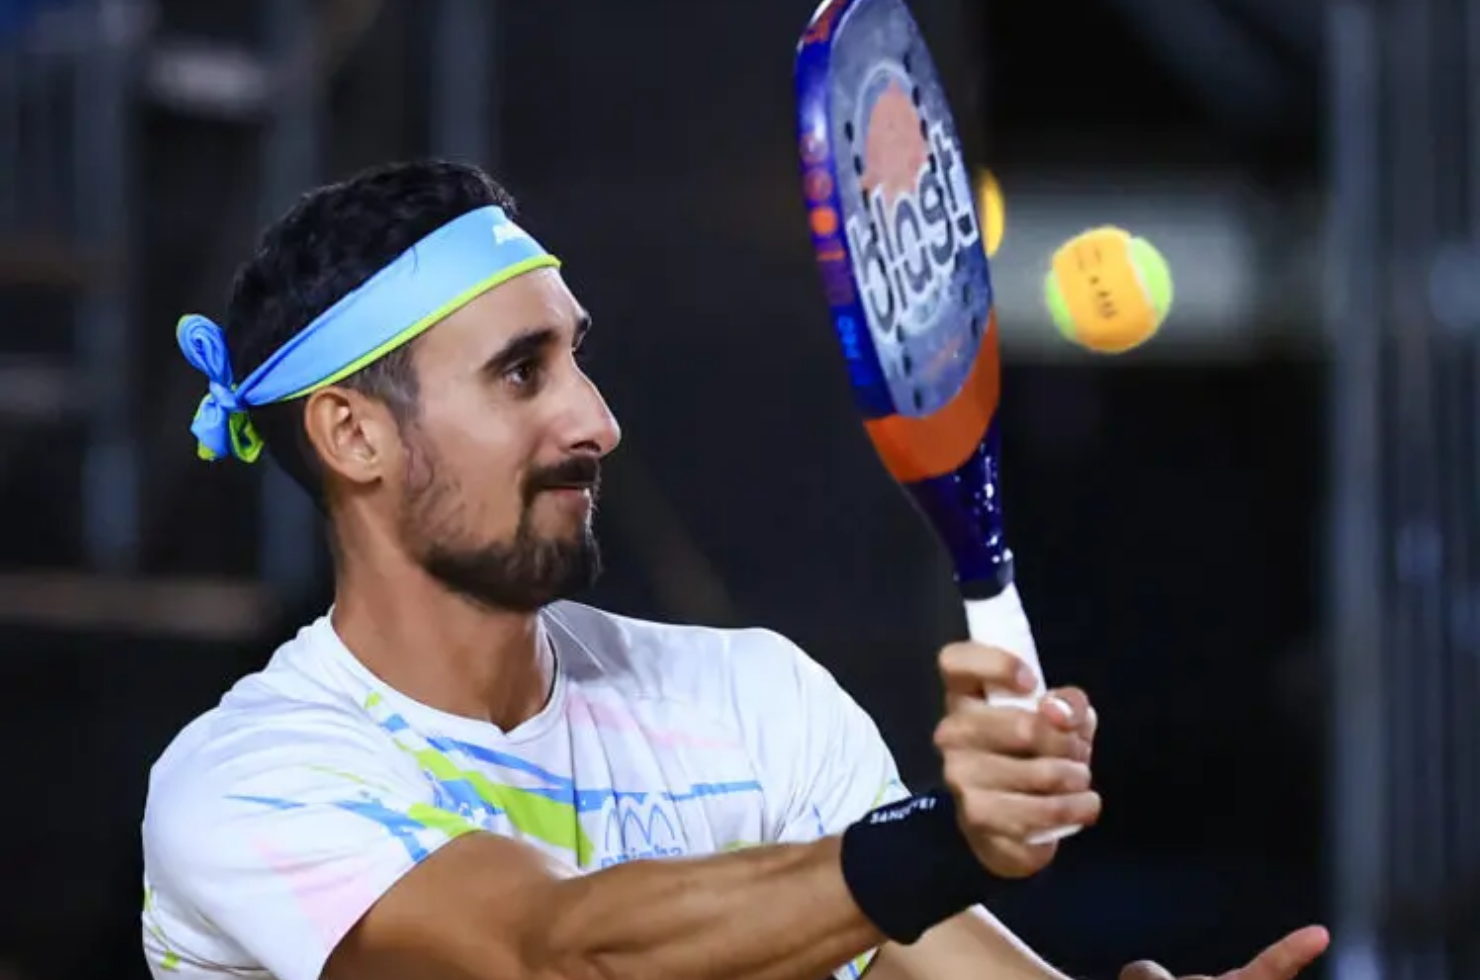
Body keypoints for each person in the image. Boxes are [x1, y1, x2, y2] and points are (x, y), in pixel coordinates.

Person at [141, 159, 1329, 980]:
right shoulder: (248, 785)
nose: (595, 420)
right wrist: (943, 836)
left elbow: (915, 942)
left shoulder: (753, 700)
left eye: (578, 359)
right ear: (355, 435)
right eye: (520, 372)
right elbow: (557, 952)